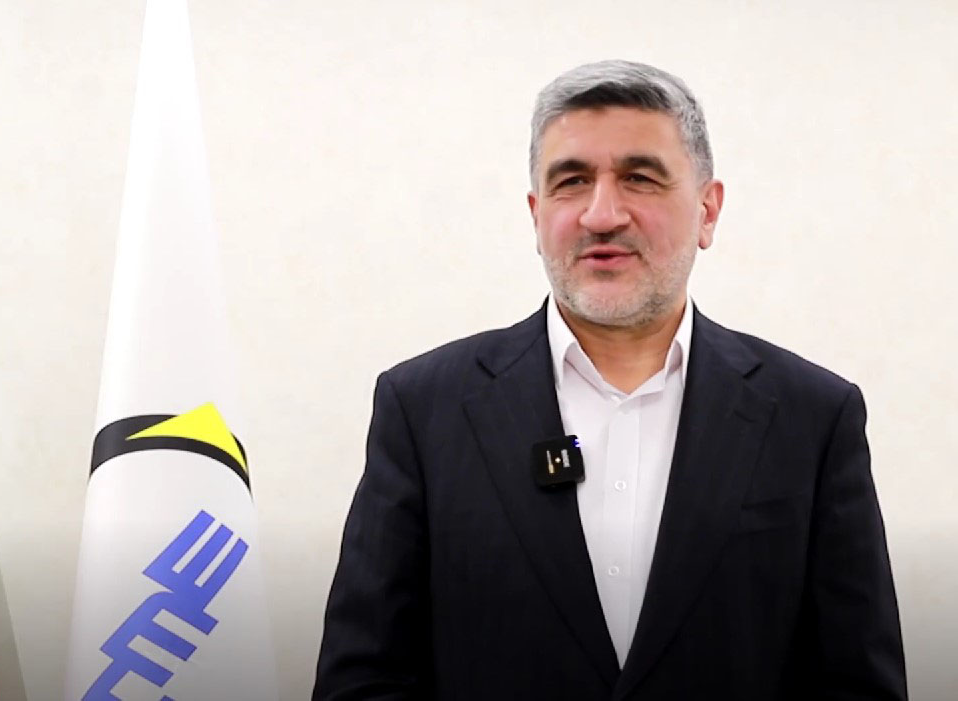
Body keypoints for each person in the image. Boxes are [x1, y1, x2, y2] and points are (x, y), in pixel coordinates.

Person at [313, 60, 906, 700]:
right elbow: (364, 679)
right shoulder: (425, 409)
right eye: (571, 182)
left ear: (708, 210)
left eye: (639, 178)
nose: (601, 214)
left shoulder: (811, 418)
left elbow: (858, 685)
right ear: (537, 214)